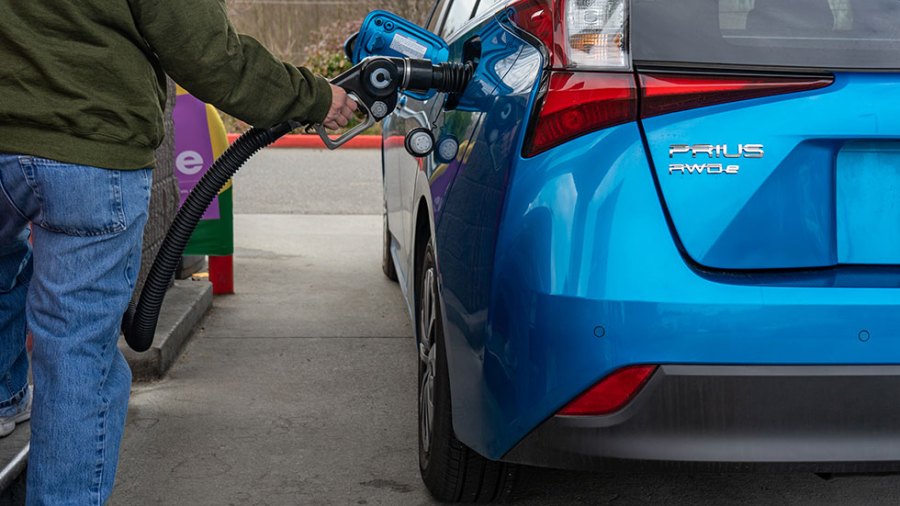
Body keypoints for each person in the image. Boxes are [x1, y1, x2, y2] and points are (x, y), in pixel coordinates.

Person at [0, 1, 357, 503]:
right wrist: (314, 97)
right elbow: (207, 53)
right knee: (75, 346)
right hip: (88, 147)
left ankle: (2, 398)